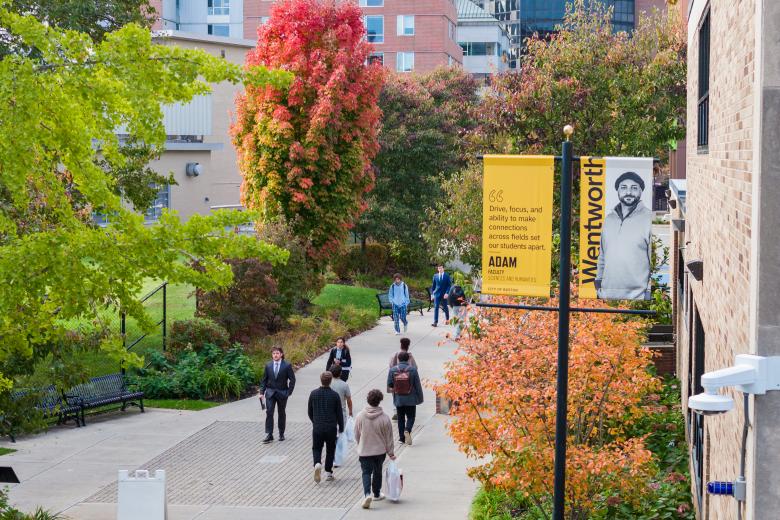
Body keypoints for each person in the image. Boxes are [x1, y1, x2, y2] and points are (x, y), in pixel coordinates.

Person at [595, 171, 652, 300]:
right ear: (618, 191)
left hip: (638, 298)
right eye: (624, 187)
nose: (629, 192)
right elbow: (602, 255)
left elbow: (654, 260)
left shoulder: (649, 219)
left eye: (634, 188)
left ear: (641, 191)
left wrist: (647, 294)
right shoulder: (609, 219)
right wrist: (598, 284)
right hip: (606, 296)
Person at [354, 389, 396, 509]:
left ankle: (367, 494)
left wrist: (360, 444)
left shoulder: (360, 416)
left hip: (365, 450)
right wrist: (391, 452)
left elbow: (356, 434)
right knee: (377, 472)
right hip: (379, 451)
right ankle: (376, 493)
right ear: (380, 401)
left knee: (366, 473)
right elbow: (389, 438)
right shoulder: (385, 418)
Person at [308, 371, 344, 483]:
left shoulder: (313, 394)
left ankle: (317, 463)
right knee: (330, 449)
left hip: (318, 426)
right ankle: (328, 472)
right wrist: (341, 427)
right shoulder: (334, 395)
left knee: (317, 448)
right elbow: (339, 413)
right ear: (330, 381)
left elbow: (310, 411)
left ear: (321, 380)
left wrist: (315, 421)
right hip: (331, 427)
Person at [259, 346, 296, 443]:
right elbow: (264, 380)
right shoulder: (268, 365)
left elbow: (292, 379)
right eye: (274, 353)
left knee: (281, 413)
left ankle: (281, 433)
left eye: (277, 353)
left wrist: (289, 392)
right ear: (272, 355)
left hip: (282, 393)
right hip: (270, 393)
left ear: (281, 354)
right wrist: (261, 392)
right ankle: (269, 434)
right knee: (269, 412)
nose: (275, 355)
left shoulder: (287, 365)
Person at [387, 351, 424, 446]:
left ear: (398, 359)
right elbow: (417, 385)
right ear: (408, 359)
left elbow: (390, 384)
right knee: (411, 417)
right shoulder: (413, 370)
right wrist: (420, 398)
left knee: (400, 418)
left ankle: (401, 438)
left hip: (399, 398)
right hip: (411, 399)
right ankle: (407, 430)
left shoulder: (393, 370)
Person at [388, 337, 417, 421]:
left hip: (396, 380)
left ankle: (396, 411)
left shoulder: (395, 354)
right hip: (407, 381)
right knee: (407, 394)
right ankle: (406, 413)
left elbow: (390, 366)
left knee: (395, 395)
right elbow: (415, 368)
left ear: (400, 344)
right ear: (408, 346)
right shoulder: (409, 356)